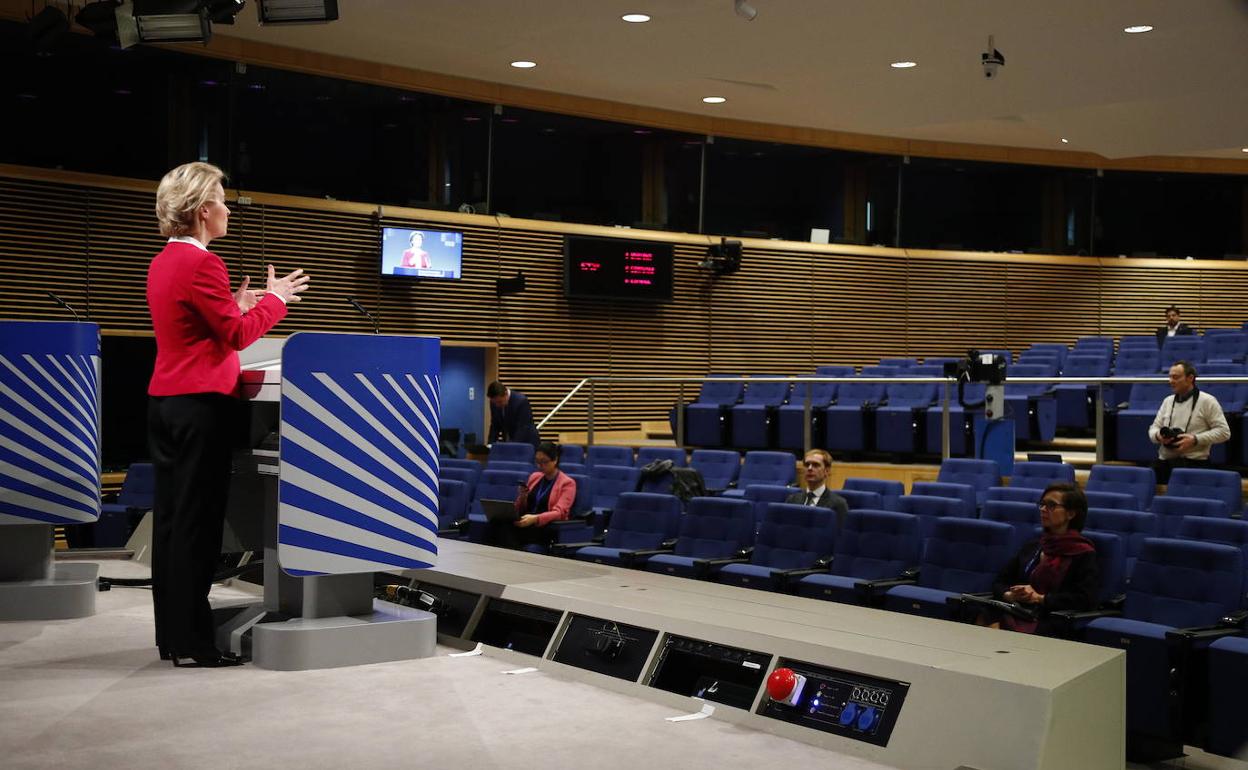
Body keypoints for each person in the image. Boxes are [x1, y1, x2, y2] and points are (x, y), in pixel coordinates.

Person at [147, 161, 309, 667]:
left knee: (172, 525)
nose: (227, 207)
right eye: (221, 198)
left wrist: (236, 304)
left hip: (165, 404)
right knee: (198, 528)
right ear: (200, 211)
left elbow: (204, 327)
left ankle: (174, 637)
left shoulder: (163, 262)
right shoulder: (203, 264)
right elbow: (237, 339)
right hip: (201, 406)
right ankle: (196, 644)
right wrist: (276, 301)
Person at [984, 483, 1099, 636]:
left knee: (994, 628)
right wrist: (1011, 595)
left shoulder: (1083, 553)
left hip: (1050, 616)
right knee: (975, 611)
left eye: (1051, 505)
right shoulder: (1034, 545)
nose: (1043, 510)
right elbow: (1000, 582)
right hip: (1018, 608)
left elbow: (1085, 599)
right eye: (1042, 504)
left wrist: (1039, 598)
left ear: (1071, 514)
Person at [1148, 360, 1230, 483]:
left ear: (1190, 378)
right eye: (1170, 377)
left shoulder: (1207, 401)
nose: (1171, 381)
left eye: (1175, 377)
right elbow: (1153, 428)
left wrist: (1195, 439)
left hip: (1194, 464)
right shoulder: (1168, 401)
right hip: (1164, 463)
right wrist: (1159, 436)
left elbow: (1224, 432)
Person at [488, 441, 575, 550]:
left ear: (555, 460)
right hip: (526, 520)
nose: (540, 466)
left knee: (507, 534)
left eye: (544, 462)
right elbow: (521, 508)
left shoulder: (567, 483)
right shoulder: (535, 477)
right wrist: (523, 496)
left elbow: (560, 513)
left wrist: (535, 518)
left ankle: (513, 557)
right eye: (537, 462)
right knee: (496, 522)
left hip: (545, 526)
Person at [785, 449, 849, 529]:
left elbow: (841, 535)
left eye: (816, 465)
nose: (810, 468)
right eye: (807, 465)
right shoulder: (792, 500)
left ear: (827, 471)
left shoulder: (838, 504)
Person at [487, 380, 541, 447]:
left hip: (526, 443)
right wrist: (490, 445)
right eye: (495, 403)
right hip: (510, 442)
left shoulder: (521, 401)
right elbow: (495, 425)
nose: (497, 405)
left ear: (506, 393)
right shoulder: (494, 403)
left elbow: (523, 428)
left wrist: (511, 447)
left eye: (500, 402)